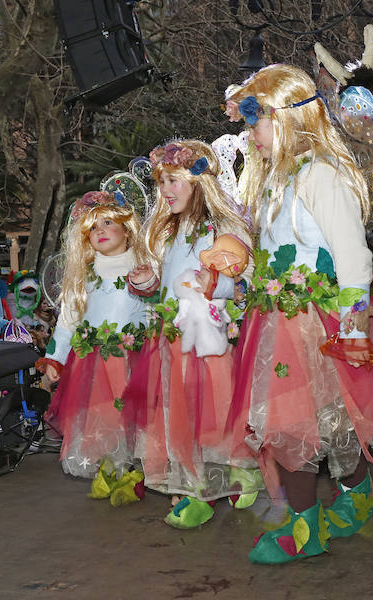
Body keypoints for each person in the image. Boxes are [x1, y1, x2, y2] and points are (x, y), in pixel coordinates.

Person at [224, 64, 373, 563]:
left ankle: (309, 527)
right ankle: (354, 499)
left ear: (289, 118)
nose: (251, 135)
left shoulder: (320, 175)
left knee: (311, 426)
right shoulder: (275, 180)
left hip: (323, 322)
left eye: (257, 122)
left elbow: (353, 255)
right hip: (278, 321)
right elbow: (271, 249)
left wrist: (354, 322)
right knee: (312, 426)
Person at [125, 139, 263, 528]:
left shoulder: (226, 227)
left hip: (210, 342)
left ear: (199, 181)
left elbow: (248, 283)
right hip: (171, 341)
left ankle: (238, 471)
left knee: (216, 417)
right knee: (178, 420)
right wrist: (146, 282)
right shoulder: (167, 232)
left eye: (173, 180)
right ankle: (196, 489)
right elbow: (164, 285)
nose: (165, 191)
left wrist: (214, 284)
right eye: (162, 182)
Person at [37, 191, 149, 506]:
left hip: (135, 358)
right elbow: (68, 320)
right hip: (95, 363)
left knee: (138, 420)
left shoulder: (144, 268)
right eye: (93, 226)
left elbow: (156, 307)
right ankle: (114, 469)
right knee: (104, 420)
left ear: (128, 229)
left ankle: (138, 472)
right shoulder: (83, 275)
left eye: (108, 223)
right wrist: (54, 359)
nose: (99, 231)